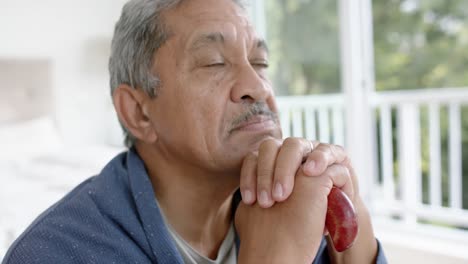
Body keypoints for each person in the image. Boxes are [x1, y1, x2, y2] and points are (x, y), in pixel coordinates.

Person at [3, 0, 387, 263]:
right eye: (214, 63)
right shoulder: (55, 252)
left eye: (260, 61)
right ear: (139, 112)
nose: (258, 86)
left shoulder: (300, 207)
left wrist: (357, 245)